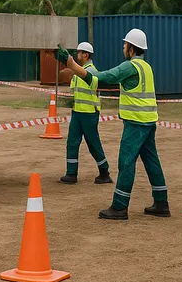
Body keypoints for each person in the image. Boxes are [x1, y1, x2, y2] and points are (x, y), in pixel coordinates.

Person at [63, 28, 169, 220]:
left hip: (136, 123)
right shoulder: (146, 67)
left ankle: (120, 206)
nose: (123, 47)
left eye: (125, 44)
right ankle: (161, 202)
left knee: (126, 162)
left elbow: (103, 78)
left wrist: (73, 66)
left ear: (131, 48)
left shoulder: (129, 67)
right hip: (148, 121)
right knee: (151, 161)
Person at [59, 42, 111, 185]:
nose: (77, 55)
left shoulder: (91, 71)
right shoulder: (79, 72)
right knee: (72, 142)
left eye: (79, 53)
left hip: (89, 114)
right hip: (77, 112)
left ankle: (104, 172)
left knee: (93, 144)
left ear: (86, 55)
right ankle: (71, 173)